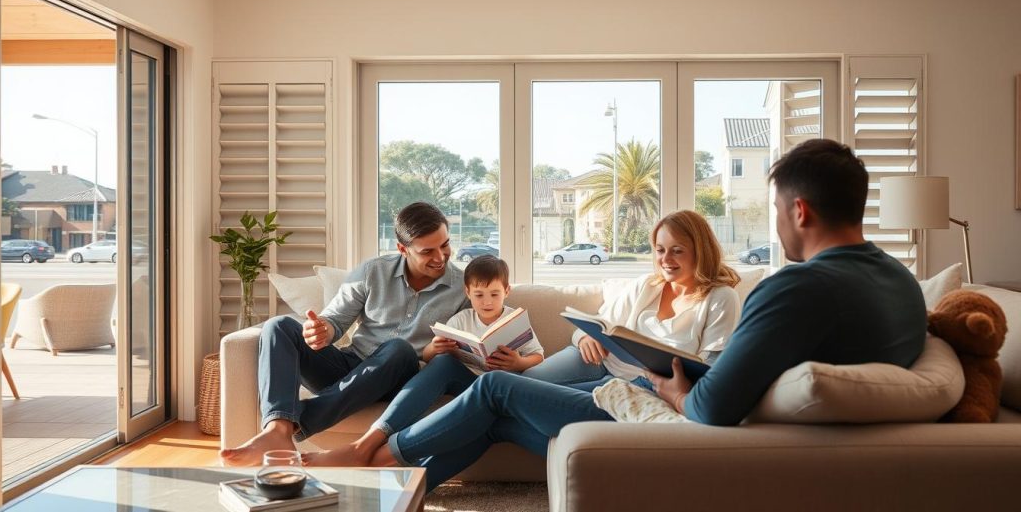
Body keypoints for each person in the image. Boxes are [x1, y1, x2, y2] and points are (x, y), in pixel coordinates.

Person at [318, 138, 928, 492]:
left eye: (772, 208)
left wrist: (662, 380)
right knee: (497, 417)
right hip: (824, 460)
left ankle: (374, 462)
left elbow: (712, 403)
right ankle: (404, 490)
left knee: (498, 389)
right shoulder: (902, 285)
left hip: (682, 433)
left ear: (797, 211)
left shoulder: (794, 289)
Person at [220, 201, 471, 466]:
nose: (441, 257)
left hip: (402, 375)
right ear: (402, 249)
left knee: (398, 349)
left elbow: (468, 338)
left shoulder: (462, 287)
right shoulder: (372, 271)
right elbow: (334, 320)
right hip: (352, 367)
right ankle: (277, 430)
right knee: (278, 326)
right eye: (427, 251)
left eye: (445, 245)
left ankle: (293, 423)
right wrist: (321, 331)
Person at [305, 255, 544, 466]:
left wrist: (518, 363)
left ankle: (368, 454)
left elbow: (538, 355)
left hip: (502, 385)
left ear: (507, 291)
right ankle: (368, 444)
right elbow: (429, 358)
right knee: (442, 363)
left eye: (494, 294)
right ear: (468, 293)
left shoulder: (515, 319)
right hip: (469, 383)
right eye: (479, 295)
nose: (487, 302)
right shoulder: (462, 318)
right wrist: (436, 348)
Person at [523, 210, 741, 392]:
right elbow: (600, 323)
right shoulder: (647, 285)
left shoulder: (721, 298)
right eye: (660, 250)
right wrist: (584, 338)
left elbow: (711, 368)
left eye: (677, 251)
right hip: (598, 359)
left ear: (700, 252)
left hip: (638, 385)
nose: (665, 260)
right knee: (524, 382)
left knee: (516, 396)